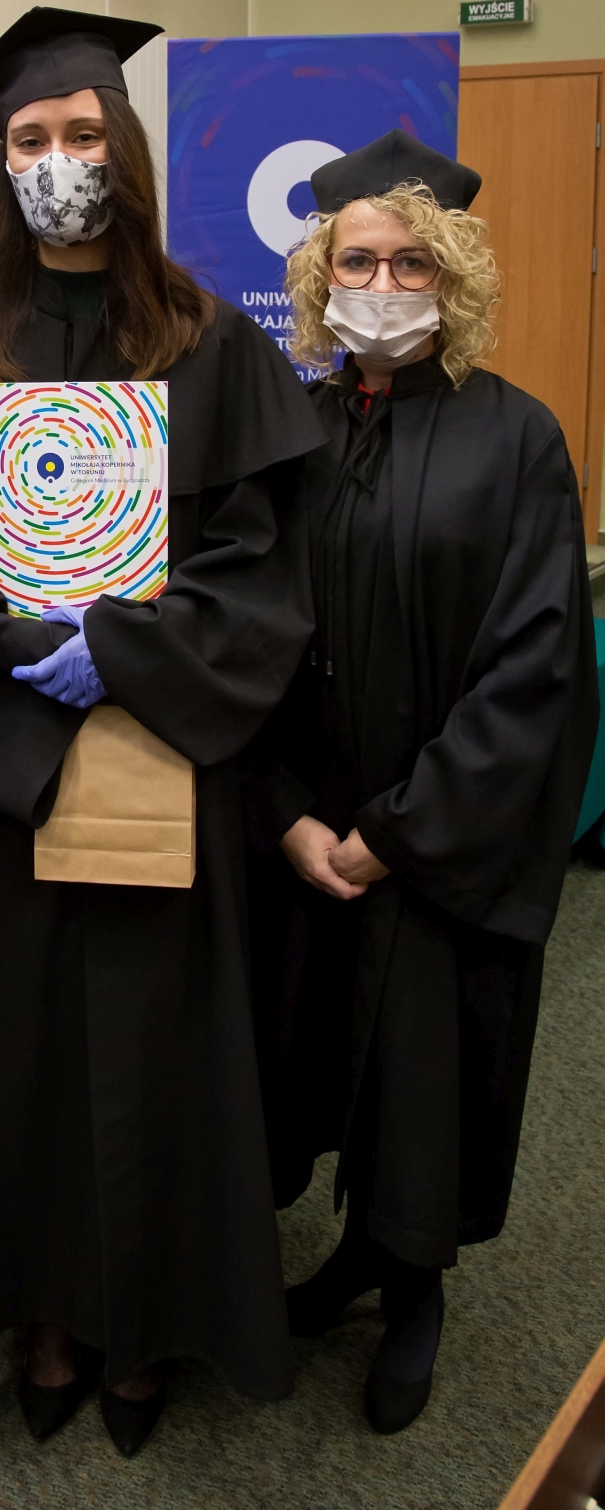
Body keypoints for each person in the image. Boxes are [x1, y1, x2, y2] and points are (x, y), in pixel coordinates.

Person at [0, 7, 327, 1457]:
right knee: (16, 1060)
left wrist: (121, 651)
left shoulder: (213, 351)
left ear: (128, 150)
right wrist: (16, 652)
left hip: (166, 760)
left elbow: (258, 571)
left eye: (84, 134)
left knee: (163, 1059)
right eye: (32, 139)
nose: (59, 162)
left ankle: (147, 1328)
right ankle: (42, 1317)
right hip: (2, 786)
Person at [247, 131, 597, 1435]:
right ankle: (349, 1255)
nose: (382, 284)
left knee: (423, 1069)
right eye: (357, 261)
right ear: (318, 275)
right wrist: (283, 812)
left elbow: (533, 667)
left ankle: (414, 1289)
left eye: (410, 264)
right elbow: (241, 631)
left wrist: (395, 833)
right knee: (318, 1046)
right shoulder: (288, 433)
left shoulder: (515, 440)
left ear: (451, 280)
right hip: (306, 824)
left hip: (436, 833)